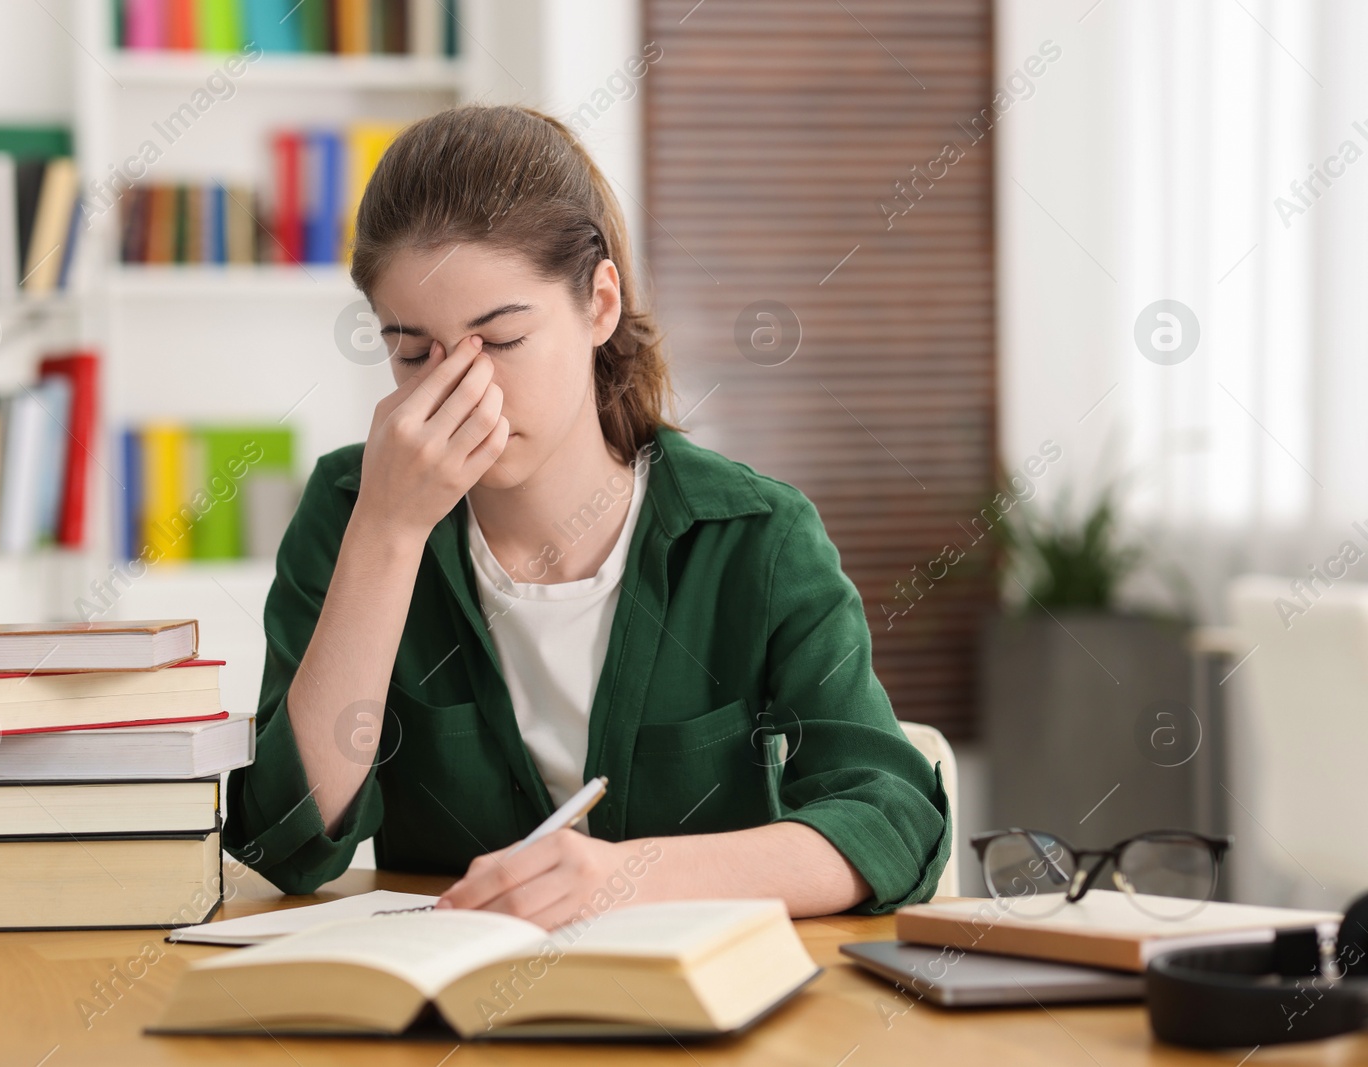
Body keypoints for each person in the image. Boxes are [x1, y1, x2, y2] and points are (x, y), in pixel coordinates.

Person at [224, 104, 950, 930]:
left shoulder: (757, 537)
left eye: (499, 340)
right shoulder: (353, 511)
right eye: (415, 352)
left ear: (599, 304)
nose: (463, 390)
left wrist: (627, 876)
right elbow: (284, 845)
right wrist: (388, 536)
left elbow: (892, 816)